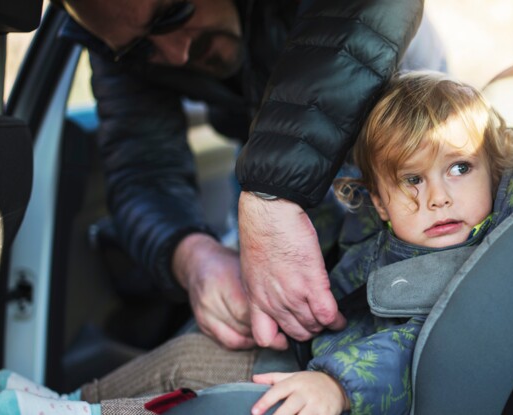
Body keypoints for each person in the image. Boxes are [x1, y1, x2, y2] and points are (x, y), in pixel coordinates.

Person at [0, 71, 513, 415]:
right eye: (412, 180)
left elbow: (421, 348)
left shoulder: (481, 260)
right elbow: (345, 273)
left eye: (460, 168)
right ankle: (77, 404)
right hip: (313, 356)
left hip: (358, 390)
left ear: (494, 170)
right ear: (378, 202)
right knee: (195, 353)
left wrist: (339, 388)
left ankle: (87, 412)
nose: (437, 199)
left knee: (206, 384)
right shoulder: (388, 237)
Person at [53, 0, 447, 350]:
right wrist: (194, 259)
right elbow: (143, 167)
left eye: (174, 12)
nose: (175, 53)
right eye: (140, 48)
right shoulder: (117, 42)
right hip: (262, 161)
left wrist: (271, 192)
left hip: (394, 114)